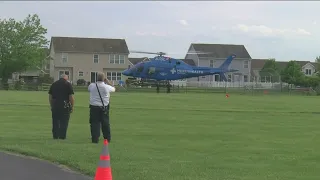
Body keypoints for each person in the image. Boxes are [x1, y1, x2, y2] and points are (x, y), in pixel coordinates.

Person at [88, 72, 116, 144]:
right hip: (104, 107)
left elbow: (89, 89)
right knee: (105, 123)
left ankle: (95, 139)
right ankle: (107, 138)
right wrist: (108, 82)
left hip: (94, 107)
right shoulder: (106, 87)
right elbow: (114, 89)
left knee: (94, 123)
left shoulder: (92, 86)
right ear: (104, 79)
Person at [48, 74, 74, 140]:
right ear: (66, 78)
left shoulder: (54, 84)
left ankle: (55, 136)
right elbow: (71, 97)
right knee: (64, 121)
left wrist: (51, 105)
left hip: (55, 104)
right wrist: (72, 106)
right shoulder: (68, 84)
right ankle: (62, 136)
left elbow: (50, 96)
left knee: (55, 121)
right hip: (65, 105)